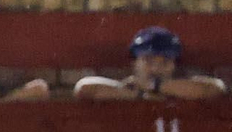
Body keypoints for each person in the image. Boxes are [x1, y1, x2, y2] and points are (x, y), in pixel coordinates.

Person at [73, 25, 227, 99]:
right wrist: (138, 94)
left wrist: (153, 86)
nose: (156, 68)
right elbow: (84, 88)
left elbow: (216, 89)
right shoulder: (126, 89)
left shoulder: (184, 89)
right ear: (135, 63)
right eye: (148, 60)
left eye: (165, 61)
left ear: (174, 65)